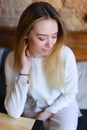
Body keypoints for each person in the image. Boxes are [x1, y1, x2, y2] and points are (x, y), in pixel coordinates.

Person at [4, 1, 79, 130]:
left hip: (62, 105)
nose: (50, 45)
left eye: (54, 36)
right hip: (30, 107)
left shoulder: (65, 54)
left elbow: (70, 94)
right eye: (42, 38)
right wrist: (24, 70)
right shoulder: (11, 59)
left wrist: (45, 114)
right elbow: (14, 112)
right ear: (26, 34)